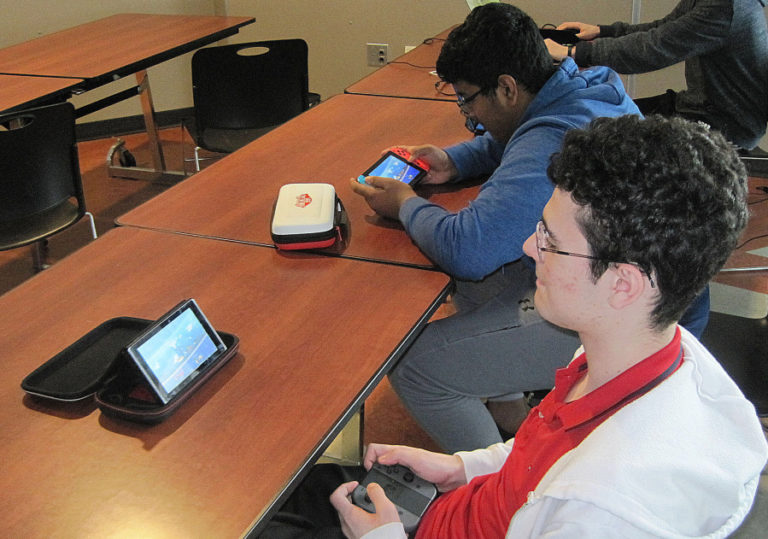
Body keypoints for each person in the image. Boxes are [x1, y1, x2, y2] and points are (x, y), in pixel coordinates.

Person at [261, 114, 767, 539]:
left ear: (623, 283)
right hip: (461, 504)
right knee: (298, 488)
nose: (530, 248)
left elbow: (570, 487)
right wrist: (464, 468)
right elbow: (542, 457)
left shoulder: (601, 511)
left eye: (550, 239)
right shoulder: (635, 351)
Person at [351, 3, 707, 454]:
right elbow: (521, 137)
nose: (469, 113)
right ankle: (511, 418)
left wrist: (404, 205)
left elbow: (468, 247)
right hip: (640, 286)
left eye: (467, 98)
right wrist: (454, 159)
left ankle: (506, 494)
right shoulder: (583, 86)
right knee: (479, 278)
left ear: (506, 88)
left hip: (634, 322)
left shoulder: (555, 135)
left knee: (414, 364)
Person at [545, 0, 768, 151]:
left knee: (597, 137)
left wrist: (573, 53)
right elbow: (664, 28)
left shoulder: (727, 7)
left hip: (724, 126)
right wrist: (604, 31)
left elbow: (655, 48)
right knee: (599, 117)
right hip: (697, 108)